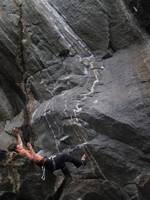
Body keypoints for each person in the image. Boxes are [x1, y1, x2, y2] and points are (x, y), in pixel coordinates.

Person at [8, 127, 86, 178]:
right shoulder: (24, 153)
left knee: (62, 165)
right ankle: (81, 163)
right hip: (48, 163)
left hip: (49, 165)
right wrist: (31, 148)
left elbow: (20, 142)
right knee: (64, 156)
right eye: (18, 146)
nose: (19, 145)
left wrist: (17, 134)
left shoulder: (21, 151)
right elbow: (34, 158)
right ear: (17, 149)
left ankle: (69, 179)